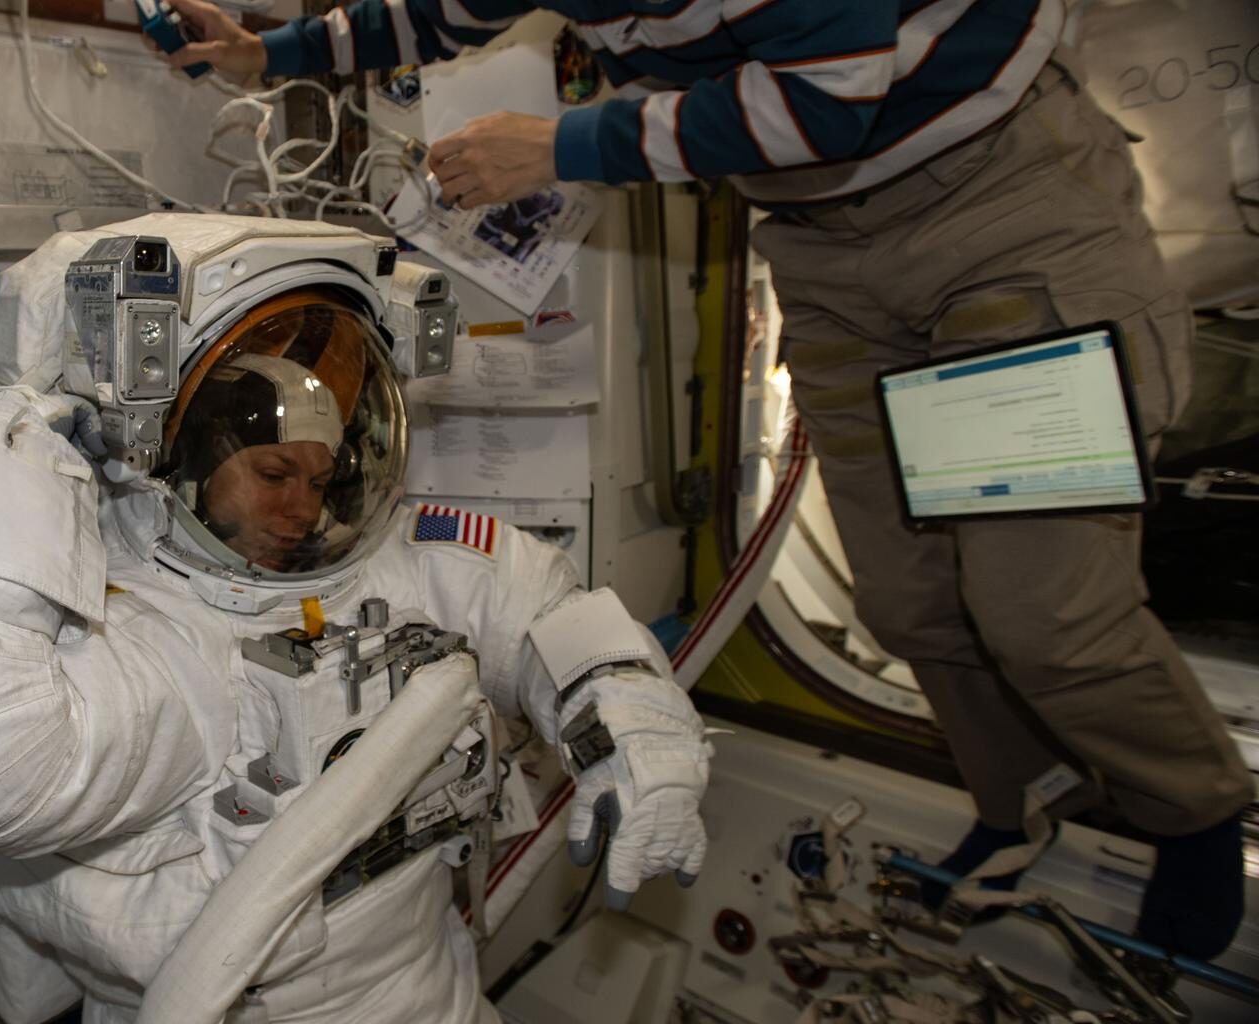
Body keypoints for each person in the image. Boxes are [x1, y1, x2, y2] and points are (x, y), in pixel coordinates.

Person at [155, 0, 1251, 959]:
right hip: (824, 239)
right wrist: (272, 53)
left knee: (1044, 606)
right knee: (907, 597)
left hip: (990, 201)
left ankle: (1194, 806)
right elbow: (440, 14)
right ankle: (1020, 803)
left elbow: (828, 98)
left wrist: (560, 146)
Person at [0, 219, 710, 1023]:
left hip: (426, 990)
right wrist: (6, 442)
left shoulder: (398, 562)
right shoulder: (137, 631)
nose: (304, 507)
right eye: (272, 475)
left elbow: (551, 616)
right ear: (193, 464)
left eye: (320, 477)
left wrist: (637, 737)